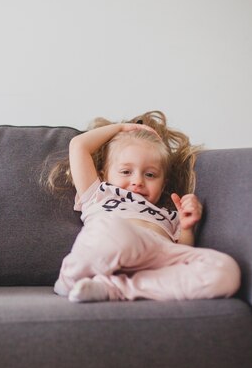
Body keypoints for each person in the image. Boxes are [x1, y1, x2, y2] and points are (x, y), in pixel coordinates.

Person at [45, 111, 240, 302]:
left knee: (226, 270)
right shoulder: (99, 194)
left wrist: (187, 226)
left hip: (158, 254)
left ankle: (115, 288)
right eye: (126, 171)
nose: (137, 181)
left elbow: (181, 254)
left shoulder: (170, 215)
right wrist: (121, 128)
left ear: (163, 184)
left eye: (150, 175)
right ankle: (70, 279)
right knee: (110, 230)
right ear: (104, 175)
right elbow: (78, 146)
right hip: (115, 242)